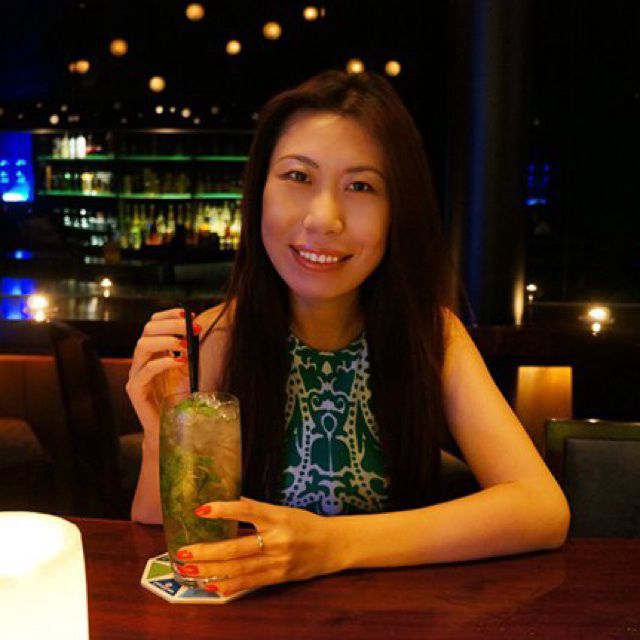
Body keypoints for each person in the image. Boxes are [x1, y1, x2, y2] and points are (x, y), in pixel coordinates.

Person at [127, 69, 570, 598]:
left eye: (361, 186)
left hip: (393, 618)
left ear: (397, 210)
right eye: (298, 176)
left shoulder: (432, 337)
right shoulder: (214, 340)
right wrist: (161, 439)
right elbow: (159, 536)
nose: (325, 219)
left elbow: (542, 509)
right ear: (259, 191)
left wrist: (332, 545)